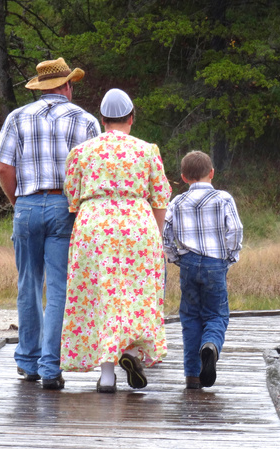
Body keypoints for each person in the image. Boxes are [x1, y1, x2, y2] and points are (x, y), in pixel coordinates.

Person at [0, 57, 101, 390]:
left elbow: (3, 169)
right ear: (67, 86)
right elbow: (93, 174)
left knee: (28, 284)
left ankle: (28, 361)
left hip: (26, 204)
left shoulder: (17, 118)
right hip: (64, 208)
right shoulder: (85, 121)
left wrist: (18, 202)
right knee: (58, 289)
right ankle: (51, 367)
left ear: (41, 88)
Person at [60, 88, 172, 393]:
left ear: (102, 119)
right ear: (131, 118)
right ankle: (131, 352)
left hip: (95, 226)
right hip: (138, 224)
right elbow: (161, 196)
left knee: (101, 297)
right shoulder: (147, 150)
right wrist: (156, 236)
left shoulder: (82, 152)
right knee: (137, 296)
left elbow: (72, 197)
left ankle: (107, 375)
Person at [162, 151, 243, 389]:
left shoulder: (176, 202)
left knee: (190, 317)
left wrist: (174, 257)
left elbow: (165, 234)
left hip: (188, 263)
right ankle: (211, 345)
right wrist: (230, 257)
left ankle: (192, 376)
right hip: (215, 263)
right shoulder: (223, 198)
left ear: (184, 178)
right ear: (212, 173)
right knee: (216, 314)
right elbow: (235, 230)